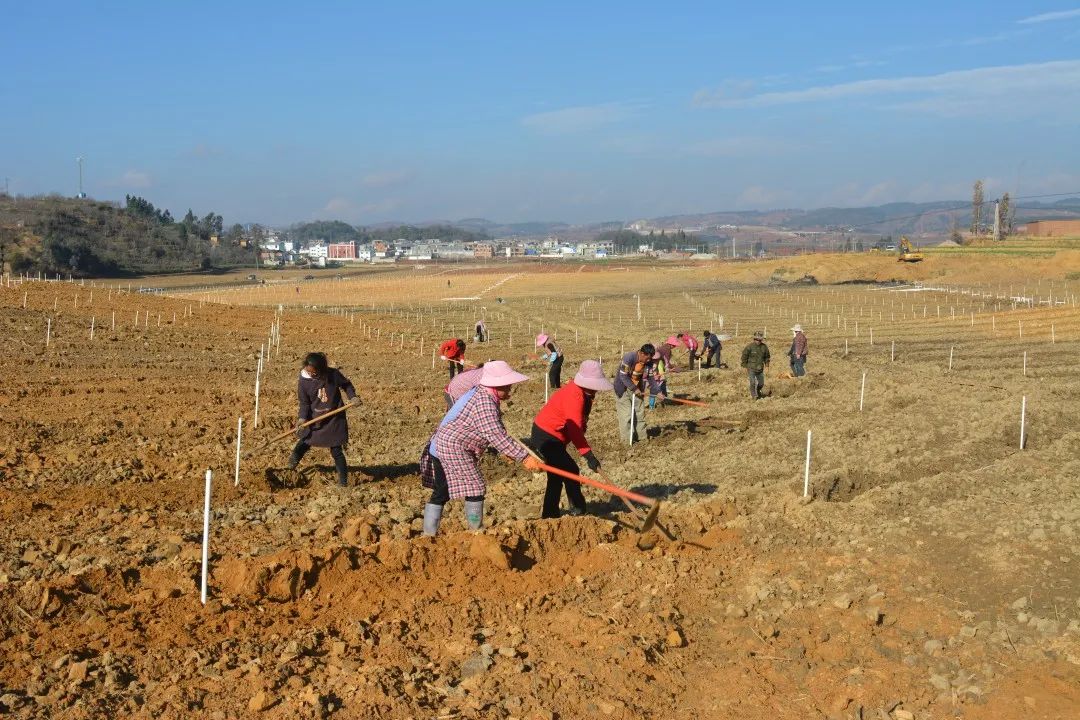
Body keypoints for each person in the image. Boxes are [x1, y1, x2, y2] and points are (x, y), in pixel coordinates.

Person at [420, 361, 542, 535]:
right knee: (476, 487)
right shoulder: (484, 401)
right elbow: (496, 435)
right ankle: (476, 531)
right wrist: (524, 457)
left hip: (440, 446)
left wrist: (507, 451)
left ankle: (428, 534)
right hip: (451, 447)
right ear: (496, 384)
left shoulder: (482, 393)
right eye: (507, 386)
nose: (510, 389)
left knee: (442, 490)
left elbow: (494, 431)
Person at [531, 360, 613, 518]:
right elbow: (574, 430)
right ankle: (577, 509)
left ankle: (550, 514)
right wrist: (589, 456)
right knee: (571, 471)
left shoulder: (584, 394)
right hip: (546, 437)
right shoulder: (575, 396)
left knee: (557, 476)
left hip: (554, 437)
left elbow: (578, 424)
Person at [288, 352, 360, 487]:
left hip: (334, 418)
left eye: (314, 373)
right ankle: (290, 467)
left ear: (322, 369)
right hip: (315, 418)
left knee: (336, 450)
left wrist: (353, 397)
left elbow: (347, 385)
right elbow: (304, 403)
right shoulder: (304, 381)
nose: (311, 374)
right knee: (305, 441)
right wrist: (302, 419)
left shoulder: (332, 374)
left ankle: (343, 482)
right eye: (309, 372)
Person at [613, 344, 655, 444]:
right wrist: (634, 388)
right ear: (642, 353)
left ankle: (641, 437)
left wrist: (657, 391)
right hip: (622, 388)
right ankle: (627, 441)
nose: (649, 360)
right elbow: (623, 376)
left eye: (650, 358)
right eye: (647, 358)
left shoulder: (649, 363)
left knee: (639, 412)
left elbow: (651, 378)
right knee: (626, 414)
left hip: (637, 387)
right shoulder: (629, 357)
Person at [740, 331, 771, 400]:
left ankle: (758, 391)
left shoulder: (764, 347)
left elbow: (767, 357)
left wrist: (767, 366)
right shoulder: (749, 347)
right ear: (754, 339)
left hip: (760, 369)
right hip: (751, 368)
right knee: (753, 382)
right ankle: (754, 396)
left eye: (759, 340)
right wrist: (744, 366)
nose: (758, 341)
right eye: (756, 339)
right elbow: (744, 357)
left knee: (761, 383)